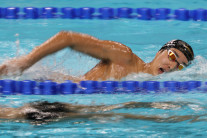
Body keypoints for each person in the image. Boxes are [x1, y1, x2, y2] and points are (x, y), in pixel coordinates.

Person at [0, 31, 194, 82]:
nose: (172, 65)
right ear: (160, 51)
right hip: (53, 89)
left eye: (180, 65)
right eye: (172, 56)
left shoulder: (152, 89)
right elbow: (67, 38)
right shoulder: (124, 56)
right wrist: (25, 62)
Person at [0, 101, 201, 124]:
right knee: (106, 109)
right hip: (34, 107)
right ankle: (167, 108)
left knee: (104, 114)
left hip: (32, 114)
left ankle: (164, 117)